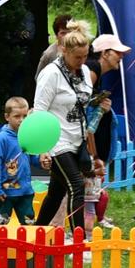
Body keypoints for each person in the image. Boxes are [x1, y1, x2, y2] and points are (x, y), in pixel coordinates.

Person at [31, 30, 98, 232]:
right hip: (57, 140)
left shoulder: (84, 71)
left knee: (56, 192)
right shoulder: (51, 74)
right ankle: (79, 239)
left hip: (77, 138)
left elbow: (82, 102)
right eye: (77, 57)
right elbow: (39, 111)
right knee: (77, 186)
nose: (82, 61)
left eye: (85, 56)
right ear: (64, 51)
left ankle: (36, 232)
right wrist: (43, 149)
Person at [0, 97, 34, 228]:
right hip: (7, 192)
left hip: (25, 191)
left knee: (29, 223)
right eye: (17, 116)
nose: (21, 120)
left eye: (25, 116)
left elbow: (31, 156)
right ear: (7, 117)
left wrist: (42, 160)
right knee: (1, 221)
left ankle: (30, 241)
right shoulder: (2, 138)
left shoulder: (27, 135)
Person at [91, 34, 133, 180]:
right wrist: (94, 155)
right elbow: (85, 118)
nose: (121, 56)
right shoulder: (92, 70)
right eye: (117, 52)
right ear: (104, 53)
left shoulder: (97, 73)